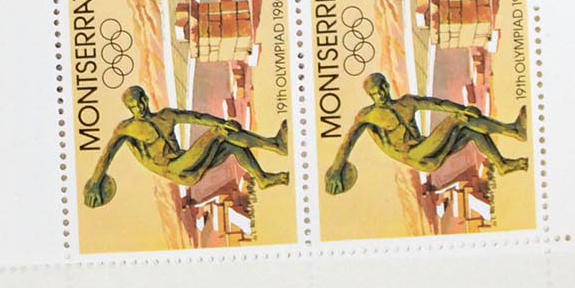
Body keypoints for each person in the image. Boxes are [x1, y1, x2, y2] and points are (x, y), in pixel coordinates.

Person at [323, 73, 529, 196]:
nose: (381, 95)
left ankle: (502, 164)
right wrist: (336, 170)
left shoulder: (407, 102)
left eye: (382, 89)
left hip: (429, 151)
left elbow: (437, 103)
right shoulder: (368, 115)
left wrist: (463, 108)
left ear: (386, 85)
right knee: (458, 119)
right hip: (414, 155)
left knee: (469, 131)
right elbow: (349, 141)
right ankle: (514, 131)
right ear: (370, 95)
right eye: (375, 93)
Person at [83, 87, 290, 208]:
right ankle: (275, 145)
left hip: (188, 163)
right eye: (133, 107)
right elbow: (107, 154)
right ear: (129, 108)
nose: (139, 109)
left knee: (230, 145)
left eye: (140, 102)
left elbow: (197, 117)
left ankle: (262, 178)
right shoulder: (127, 128)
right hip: (174, 169)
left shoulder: (167, 116)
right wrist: (94, 183)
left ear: (145, 99)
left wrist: (223, 122)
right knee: (218, 133)